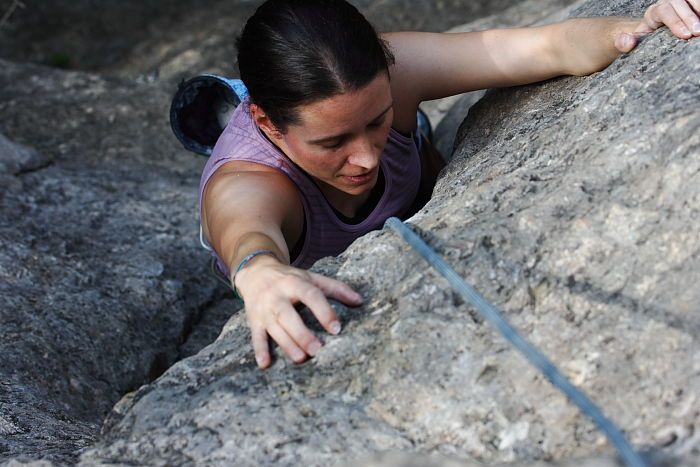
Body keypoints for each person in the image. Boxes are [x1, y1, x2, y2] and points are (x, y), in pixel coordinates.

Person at [198, 0, 699, 369]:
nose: (366, 157)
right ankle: (222, 106)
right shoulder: (252, 179)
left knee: (412, 145)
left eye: (377, 120)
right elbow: (245, 229)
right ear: (266, 123)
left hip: (415, 186)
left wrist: (639, 27)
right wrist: (258, 270)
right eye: (333, 142)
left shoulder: (398, 69)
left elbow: (542, 46)